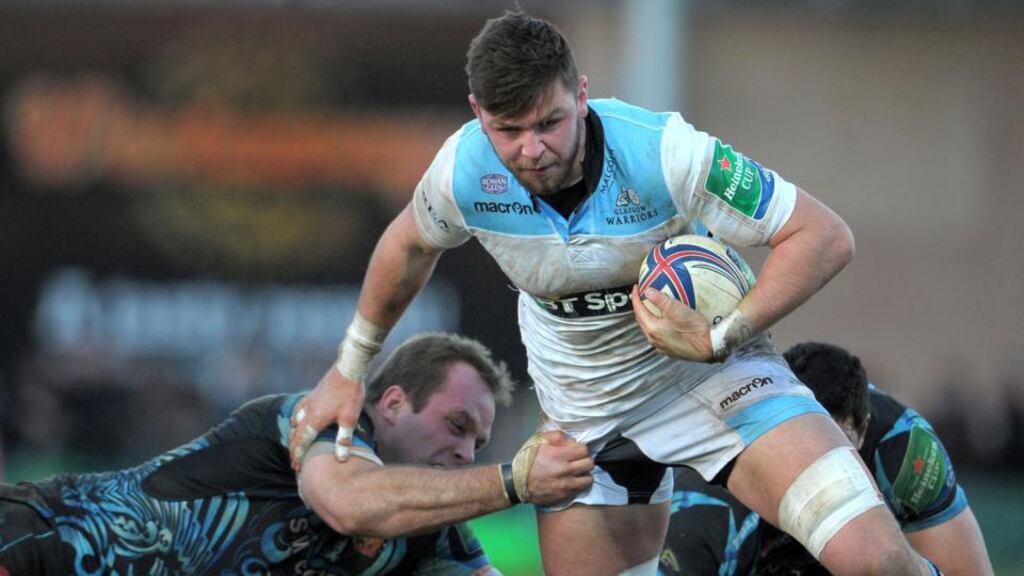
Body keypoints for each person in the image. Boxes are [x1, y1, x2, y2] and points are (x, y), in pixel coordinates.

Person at [291, 10, 937, 575]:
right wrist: (350, 369)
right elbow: (406, 247)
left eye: (550, 122)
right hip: (583, 418)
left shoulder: (666, 152)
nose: (532, 150)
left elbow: (824, 237)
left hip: (716, 380)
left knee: (876, 562)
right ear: (477, 114)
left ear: (581, 94)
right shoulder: (462, 171)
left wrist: (724, 334)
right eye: (508, 130)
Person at [0, 332, 594, 575]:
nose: (464, 453)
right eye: (457, 425)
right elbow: (350, 503)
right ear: (392, 403)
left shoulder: (429, 533)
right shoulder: (313, 420)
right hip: (30, 548)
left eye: (478, 444)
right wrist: (514, 481)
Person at [658, 342, 994, 576]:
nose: (820, 468)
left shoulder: (903, 448)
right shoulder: (706, 501)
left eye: (839, 446)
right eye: (800, 448)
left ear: (864, 429)